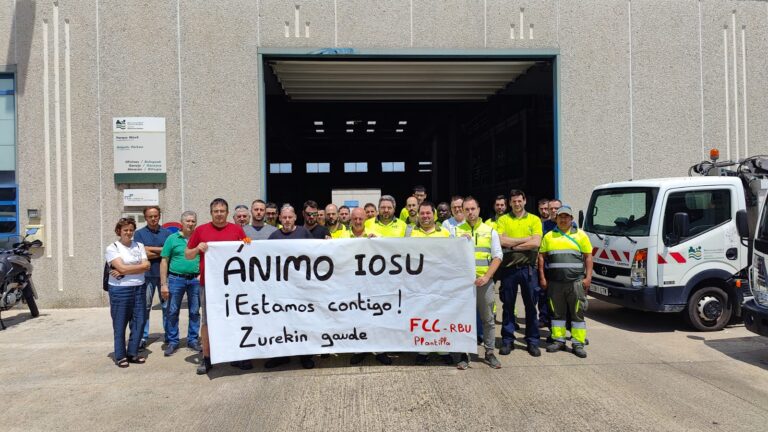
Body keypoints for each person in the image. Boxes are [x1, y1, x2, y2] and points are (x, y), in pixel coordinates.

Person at [186, 198, 247, 374]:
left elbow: (247, 251)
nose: (219, 214)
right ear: (211, 213)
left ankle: (236, 356)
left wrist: (249, 243)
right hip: (209, 285)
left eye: (222, 211)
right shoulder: (200, 230)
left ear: (227, 213)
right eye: (216, 211)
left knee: (235, 318)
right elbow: (188, 255)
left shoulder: (237, 229)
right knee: (207, 321)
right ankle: (207, 358)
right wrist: (197, 248)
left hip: (233, 285)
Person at [351, 195, 406, 365]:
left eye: (389, 207)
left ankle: (381, 350)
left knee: (383, 315)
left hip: (392, 278)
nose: (386, 210)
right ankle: (362, 349)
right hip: (366, 278)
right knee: (363, 313)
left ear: (394, 209)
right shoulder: (368, 224)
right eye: (383, 207)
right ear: (378, 208)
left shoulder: (404, 226)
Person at [455, 197, 503, 370]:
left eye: (472, 209)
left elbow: (498, 256)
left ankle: (489, 352)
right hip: (463, 285)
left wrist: (487, 277)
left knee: (488, 319)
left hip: (485, 282)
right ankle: (463, 354)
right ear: (462, 211)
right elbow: (450, 257)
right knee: (463, 319)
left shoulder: (490, 231)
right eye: (466, 209)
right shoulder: (456, 231)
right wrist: (460, 242)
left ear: (479, 209)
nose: (470, 212)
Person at [538, 206, 593, 358]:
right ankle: (559, 340)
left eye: (566, 217)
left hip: (575, 282)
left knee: (577, 313)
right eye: (560, 216)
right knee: (557, 313)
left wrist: (588, 278)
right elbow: (541, 257)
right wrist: (542, 277)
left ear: (571, 219)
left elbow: (588, 257)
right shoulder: (549, 236)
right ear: (556, 218)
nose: (563, 219)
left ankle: (578, 343)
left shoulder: (581, 236)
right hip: (555, 283)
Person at [266, 205, 316, 369]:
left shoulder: (304, 233)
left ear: (295, 218)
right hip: (281, 288)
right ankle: (282, 355)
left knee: (303, 320)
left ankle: (305, 356)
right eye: (284, 218)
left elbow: (315, 254)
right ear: (279, 218)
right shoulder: (273, 236)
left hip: (302, 286)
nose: (287, 220)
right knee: (281, 321)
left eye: (290, 217)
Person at [495, 189, 543, 357]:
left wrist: (512, 245)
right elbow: (500, 241)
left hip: (528, 270)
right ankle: (508, 341)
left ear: (524, 201)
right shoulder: (503, 220)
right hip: (508, 270)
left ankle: (532, 342)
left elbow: (536, 242)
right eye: (513, 201)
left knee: (531, 307)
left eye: (519, 201)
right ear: (510, 203)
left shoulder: (534, 220)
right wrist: (525, 239)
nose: (516, 204)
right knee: (508, 307)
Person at [407, 201, 453, 366]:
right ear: (418, 215)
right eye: (422, 213)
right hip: (419, 285)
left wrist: (465, 240)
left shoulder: (446, 233)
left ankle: (443, 350)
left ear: (434, 215)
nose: (425, 216)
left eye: (428, 213)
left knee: (440, 316)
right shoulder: (411, 234)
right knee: (422, 316)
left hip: (440, 284)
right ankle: (423, 350)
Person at [105, 217, 150, 368]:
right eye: (125, 230)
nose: (128, 233)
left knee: (139, 321)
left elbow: (147, 265)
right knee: (120, 323)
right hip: (120, 290)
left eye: (131, 230)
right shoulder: (113, 248)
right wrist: (138, 267)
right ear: (119, 231)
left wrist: (125, 269)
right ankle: (120, 355)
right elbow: (123, 268)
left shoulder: (139, 246)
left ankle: (133, 353)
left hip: (139, 287)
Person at [159, 211, 201, 357]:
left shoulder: (199, 237)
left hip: (195, 280)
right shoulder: (172, 238)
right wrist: (164, 284)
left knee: (195, 311)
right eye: (188, 221)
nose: (190, 224)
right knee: (172, 311)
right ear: (181, 222)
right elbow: (164, 261)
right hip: (176, 279)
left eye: (193, 221)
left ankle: (193, 340)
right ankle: (172, 341)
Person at [133, 206, 171, 350]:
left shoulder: (167, 233)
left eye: (156, 215)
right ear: (146, 218)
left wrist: (149, 249)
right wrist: (162, 250)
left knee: (167, 307)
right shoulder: (139, 234)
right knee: (145, 307)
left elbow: (170, 253)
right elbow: (141, 254)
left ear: (159, 216)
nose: (153, 218)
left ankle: (169, 336)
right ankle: (143, 337)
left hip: (164, 276)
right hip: (146, 276)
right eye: (150, 216)